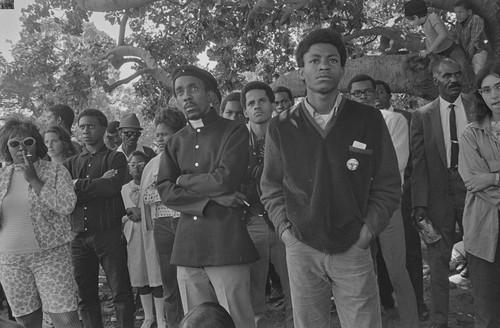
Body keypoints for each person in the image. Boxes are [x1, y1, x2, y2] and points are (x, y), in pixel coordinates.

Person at [260, 28, 401, 328]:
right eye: (314, 60)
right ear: (302, 71)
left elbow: (388, 184)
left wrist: (367, 233)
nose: (323, 66)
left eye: (332, 60)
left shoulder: (368, 119)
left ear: (342, 68)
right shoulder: (281, 127)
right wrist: (286, 232)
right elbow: (271, 187)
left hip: (354, 246)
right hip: (301, 247)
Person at [156, 65, 259, 328]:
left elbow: (225, 179)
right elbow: (165, 190)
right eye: (180, 92)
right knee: (196, 321)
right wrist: (213, 200)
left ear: (210, 95)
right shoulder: (174, 142)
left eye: (193, 88)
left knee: (237, 319)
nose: (186, 96)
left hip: (226, 242)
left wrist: (182, 179)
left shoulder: (234, 131)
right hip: (188, 247)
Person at [348, 74, 418, 328]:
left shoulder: (394, 121)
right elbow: (346, 169)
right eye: (357, 93)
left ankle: (411, 322)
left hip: (387, 206)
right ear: (349, 96)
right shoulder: (346, 126)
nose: (364, 96)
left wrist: (357, 166)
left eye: (368, 91)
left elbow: (393, 166)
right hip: (356, 209)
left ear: (377, 93)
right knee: (365, 272)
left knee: (397, 270)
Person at [410, 57, 473, 328]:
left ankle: (487, 316)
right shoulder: (422, 115)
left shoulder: (476, 106)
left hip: (473, 189)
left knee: (484, 256)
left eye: (457, 75)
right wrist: (419, 204)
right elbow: (418, 164)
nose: (454, 80)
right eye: (447, 76)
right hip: (437, 195)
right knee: (438, 261)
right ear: (436, 79)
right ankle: (439, 321)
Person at [0, 117, 80, 328]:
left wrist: (34, 180)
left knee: (66, 321)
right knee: (26, 322)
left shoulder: (55, 171)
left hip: (51, 257)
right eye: (14, 144)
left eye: (27, 142)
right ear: (7, 148)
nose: (21, 148)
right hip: (11, 261)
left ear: (37, 143)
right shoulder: (1, 176)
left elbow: (67, 205)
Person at [64, 109, 135, 328]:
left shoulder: (116, 157)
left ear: (103, 129)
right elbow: (64, 193)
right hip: (78, 237)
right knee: (85, 296)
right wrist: (93, 184)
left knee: (120, 291)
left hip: (108, 234)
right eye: (82, 126)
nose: (86, 130)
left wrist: (76, 184)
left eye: (91, 126)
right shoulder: (70, 162)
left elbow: (111, 186)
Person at [239, 81, 293, 328]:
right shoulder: (235, 141)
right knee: (253, 289)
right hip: (251, 221)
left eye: (262, 100)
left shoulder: (289, 133)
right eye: (251, 103)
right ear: (245, 111)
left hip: (286, 220)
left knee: (295, 285)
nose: (257, 106)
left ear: (272, 104)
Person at [374, 79, 429, 320]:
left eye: (379, 91)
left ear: (389, 95)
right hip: (373, 200)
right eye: (368, 92)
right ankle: (385, 300)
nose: (375, 96)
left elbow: (412, 160)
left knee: (410, 251)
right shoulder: (356, 123)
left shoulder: (405, 118)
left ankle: (417, 302)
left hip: (402, 194)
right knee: (379, 254)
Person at [458, 61, 500, 328]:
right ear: (481, 96)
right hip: (483, 230)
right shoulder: (471, 133)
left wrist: (493, 177)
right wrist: (484, 179)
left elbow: (485, 181)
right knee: (487, 313)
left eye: (499, 87)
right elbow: (473, 180)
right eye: (487, 90)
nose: (494, 94)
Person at [140, 107, 186, 328]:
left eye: (164, 134)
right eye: (157, 134)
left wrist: (167, 190)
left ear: (177, 134)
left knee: (190, 280)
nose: (159, 138)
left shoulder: (187, 157)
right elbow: (146, 196)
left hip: (184, 222)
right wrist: (169, 189)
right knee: (169, 284)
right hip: (161, 225)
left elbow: (186, 191)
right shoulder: (152, 163)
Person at [121, 151, 165, 328]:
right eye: (133, 164)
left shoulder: (152, 184)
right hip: (133, 234)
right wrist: (128, 216)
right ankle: (148, 316)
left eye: (141, 164)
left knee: (156, 274)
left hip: (151, 232)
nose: (137, 168)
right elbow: (119, 213)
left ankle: (161, 317)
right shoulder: (124, 189)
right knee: (140, 275)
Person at [404, 0, 468, 70]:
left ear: (416, 17)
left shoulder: (432, 17)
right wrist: (427, 52)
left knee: (462, 66)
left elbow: (443, 34)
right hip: (439, 53)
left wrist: (429, 50)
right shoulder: (423, 24)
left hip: (450, 49)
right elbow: (429, 39)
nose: (409, 23)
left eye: (409, 20)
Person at [117, 113, 156, 183]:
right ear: (120, 134)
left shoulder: (149, 154)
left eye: (136, 134)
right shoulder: (112, 156)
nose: (133, 137)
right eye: (128, 134)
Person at [453, 0, 488, 74]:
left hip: (478, 53)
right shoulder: (458, 24)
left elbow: (474, 41)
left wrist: (468, 60)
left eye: (460, 12)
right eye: (455, 13)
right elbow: (458, 41)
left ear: (469, 12)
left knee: (480, 75)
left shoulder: (476, 19)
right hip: (467, 55)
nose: (457, 15)